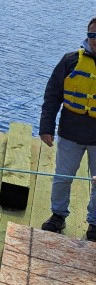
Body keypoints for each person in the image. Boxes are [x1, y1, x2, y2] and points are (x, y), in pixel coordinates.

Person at [39, 17, 96, 241]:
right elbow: (52, 95)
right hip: (70, 133)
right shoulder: (70, 60)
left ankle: (94, 223)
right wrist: (46, 127)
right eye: (93, 35)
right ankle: (58, 215)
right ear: (87, 36)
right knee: (63, 177)